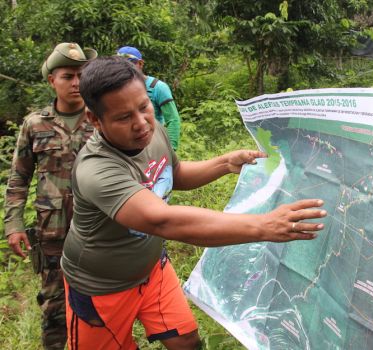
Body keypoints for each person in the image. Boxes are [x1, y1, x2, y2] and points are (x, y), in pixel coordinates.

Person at [61, 56, 327, 350]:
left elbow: (174, 174)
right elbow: (161, 220)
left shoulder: (152, 132)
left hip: (152, 268)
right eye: (124, 118)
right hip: (101, 286)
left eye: (144, 107)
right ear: (95, 120)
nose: (141, 123)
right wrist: (263, 225)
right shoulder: (96, 169)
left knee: (187, 341)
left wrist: (225, 163)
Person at [3, 42, 97, 350]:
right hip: (53, 232)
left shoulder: (101, 120)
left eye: (81, 75)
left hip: (98, 230)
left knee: (99, 306)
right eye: (68, 76)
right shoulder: (35, 124)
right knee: (56, 310)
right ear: (51, 81)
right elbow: (19, 177)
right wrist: (13, 225)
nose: (76, 83)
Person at [116, 46, 181, 150]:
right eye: (120, 64)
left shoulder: (158, 87)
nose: (124, 68)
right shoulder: (117, 88)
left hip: (153, 144)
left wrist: (171, 149)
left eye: (130, 63)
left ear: (140, 64)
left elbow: (173, 119)